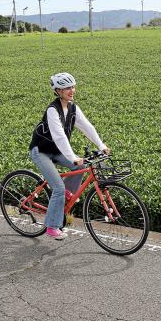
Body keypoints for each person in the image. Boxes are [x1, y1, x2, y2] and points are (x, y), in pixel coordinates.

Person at [30, 72, 109, 240]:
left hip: (57, 151)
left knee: (81, 166)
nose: (71, 90)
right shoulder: (53, 110)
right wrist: (72, 156)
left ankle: (63, 199)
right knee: (58, 188)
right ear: (58, 91)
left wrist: (101, 145)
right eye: (67, 88)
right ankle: (52, 226)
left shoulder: (73, 107)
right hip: (41, 151)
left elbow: (87, 127)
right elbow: (59, 136)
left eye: (73, 87)